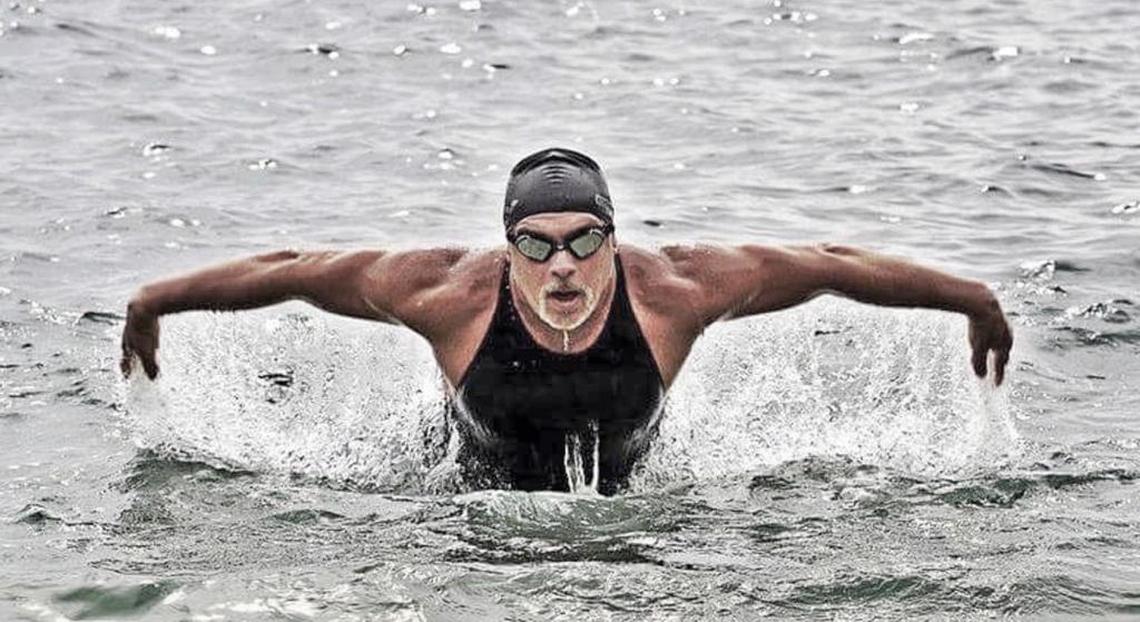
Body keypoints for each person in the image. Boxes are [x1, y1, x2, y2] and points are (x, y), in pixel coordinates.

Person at [120, 147, 1013, 495]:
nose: (562, 267)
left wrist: (971, 298)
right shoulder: (448, 294)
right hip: (465, 501)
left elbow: (829, 264)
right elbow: (293, 270)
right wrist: (156, 300)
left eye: (585, 242)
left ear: (613, 240)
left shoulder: (673, 290)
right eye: (536, 245)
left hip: (626, 500)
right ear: (505, 248)